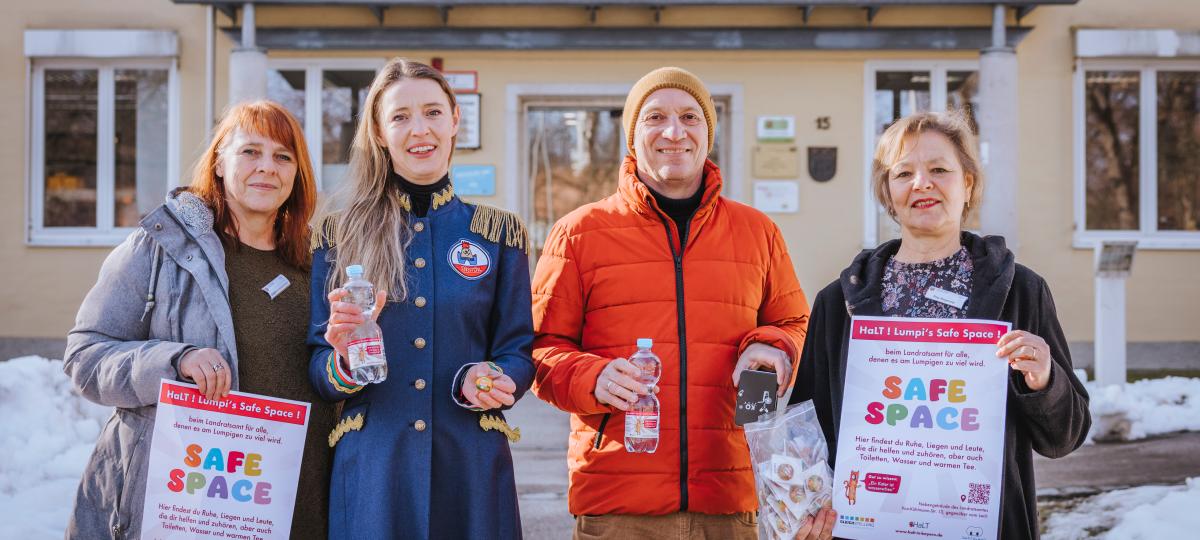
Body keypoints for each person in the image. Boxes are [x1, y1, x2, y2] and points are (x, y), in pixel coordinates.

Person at [531, 66, 833, 539]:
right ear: (633, 136)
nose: (674, 132)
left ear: (707, 134)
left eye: (690, 117)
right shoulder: (579, 234)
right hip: (618, 504)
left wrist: (773, 346)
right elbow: (543, 349)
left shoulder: (758, 233)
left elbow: (795, 322)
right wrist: (594, 376)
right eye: (655, 118)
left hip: (732, 498)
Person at [789, 111, 1091, 539]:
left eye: (939, 170)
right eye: (904, 173)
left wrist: (1044, 380)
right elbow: (808, 432)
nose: (921, 184)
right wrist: (807, 503)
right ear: (888, 193)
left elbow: (1066, 436)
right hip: (866, 526)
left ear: (967, 184)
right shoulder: (838, 303)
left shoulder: (1020, 291)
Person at [63, 101, 331, 539]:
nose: (267, 167)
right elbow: (86, 357)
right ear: (220, 162)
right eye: (251, 152)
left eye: (283, 156)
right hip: (193, 508)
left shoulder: (319, 264)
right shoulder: (160, 249)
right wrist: (175, 361)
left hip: (300, 508)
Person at [308, 58, 534, 539]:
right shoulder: (337, 236)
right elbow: (317, 365)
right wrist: (343, 362)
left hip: (470, 465)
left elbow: (518, 350)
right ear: (379, 130)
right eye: (400, 116)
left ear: (456, 119)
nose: (419, 130)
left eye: (432, 112)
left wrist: (495, 376)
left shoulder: (497, 234)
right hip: (375, 471)